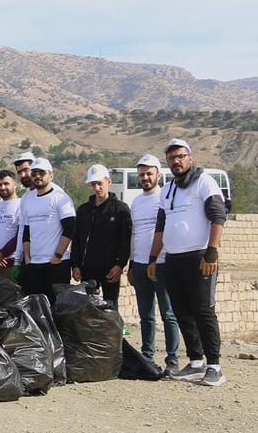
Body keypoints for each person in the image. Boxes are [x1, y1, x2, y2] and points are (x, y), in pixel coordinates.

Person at [150, 139, 228, 386]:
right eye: (171, 158)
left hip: (198, 257)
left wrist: (212, 251)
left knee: (203, 311)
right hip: (173, 259)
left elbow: (218, 215)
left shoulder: (204, 182)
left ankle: (215, 366)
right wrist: (154, 258)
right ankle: (196, 362)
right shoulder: (167, 190)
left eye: (180, 156)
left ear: (190, 158)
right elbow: (161, 227)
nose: (176, 161)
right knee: (183, 312)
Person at [127, 154, 179, 374]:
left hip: (162, 264)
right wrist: (130, 264)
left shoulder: (165, 198)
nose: (145, 178)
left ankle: (172, 359)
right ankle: (148, 356)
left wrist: (158, 260)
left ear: (158, 174)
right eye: (142, 174)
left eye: (149, 173)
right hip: (139, 264)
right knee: (146, 315)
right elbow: (134, 233)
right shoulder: (136, 202)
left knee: (168, 314)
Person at [71, 164, 132, 306]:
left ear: (109, 182)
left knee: (111, 307)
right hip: (88, 270)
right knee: (88, 309)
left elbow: (125, 240)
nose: (97, 188)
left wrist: (119, 265)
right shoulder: (83, 210)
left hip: (110, 269)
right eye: (93, 184)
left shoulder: (120, 209)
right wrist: (75, 265)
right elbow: (77, 240)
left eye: (100, 183)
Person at [18, 158, 76, 305]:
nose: (38, 176)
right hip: (35, 264)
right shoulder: (30, 201)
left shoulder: (60, 198)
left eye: (41, 173)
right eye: (34, 173)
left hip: (56, 264)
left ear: (51, 175)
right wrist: (27, 257)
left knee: (57, 308)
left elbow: (70, 229)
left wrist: (57, 256)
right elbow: (26, 232)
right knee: (37, 309)